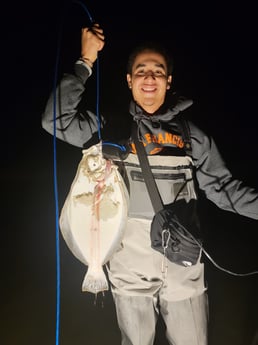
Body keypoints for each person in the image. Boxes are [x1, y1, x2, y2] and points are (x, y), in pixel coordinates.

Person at [42, 24, 258, 345]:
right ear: (129, 80)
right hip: (130, 270)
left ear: (168, 81)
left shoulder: (191, 135)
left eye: (158, 71)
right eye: (141, 71)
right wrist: (85, 61)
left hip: (185, 267)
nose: (149, 78)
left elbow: (224, 189)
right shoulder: (110, 129)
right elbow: (56, 120)